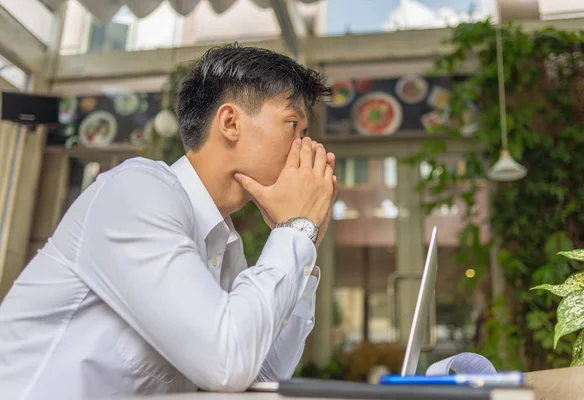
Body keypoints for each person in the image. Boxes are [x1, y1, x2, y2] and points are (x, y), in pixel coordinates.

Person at [0, 44, 336, 399]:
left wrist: (304, 245)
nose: (305, 146)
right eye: (293, 125)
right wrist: (294, 231)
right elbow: (228, 364)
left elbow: (260, 374)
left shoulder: (224, 244)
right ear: (230, 122)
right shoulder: (136, 193)